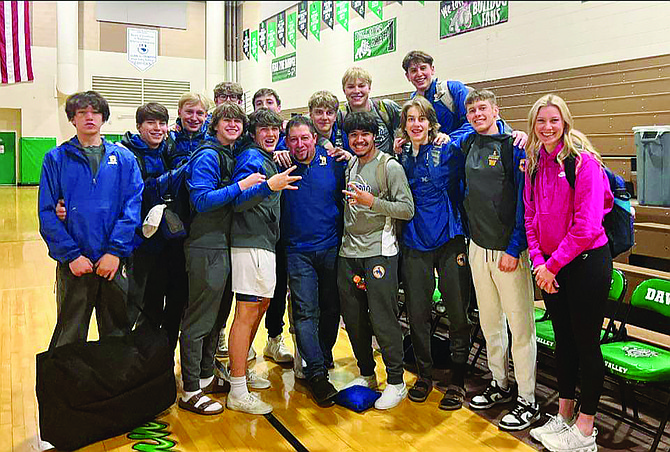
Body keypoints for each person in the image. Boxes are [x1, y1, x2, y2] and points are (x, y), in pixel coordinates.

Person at [524, 94, 613, 452]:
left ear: (565, 123)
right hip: (550, 268)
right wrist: (538, 262)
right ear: (533, 125)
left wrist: (551, 264)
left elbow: (587, 225)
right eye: (541, 121)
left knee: (586, 345)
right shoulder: (533, 164)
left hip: (586, 265)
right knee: (564, 344)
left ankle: (586, 429)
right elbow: (530, 218)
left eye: (554, 121)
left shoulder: (583, 163)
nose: (547, 127)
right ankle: (563, 416)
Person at [178, 103, 265, 416]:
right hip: (205, 246)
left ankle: (204, 377)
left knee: (216, 319)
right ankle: (189, 391)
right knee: (198, 320)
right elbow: (201, 200)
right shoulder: (207, 155)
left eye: (237, 121)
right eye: (226, 120)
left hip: (222, 245)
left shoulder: (227, 153)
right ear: (214, 125)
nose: (233, 124)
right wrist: (241, 186)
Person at [38, 91, 143, 348]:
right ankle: (70, 387)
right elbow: (47, 212)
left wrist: (115, 252)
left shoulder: (125, 159)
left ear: (103, 118)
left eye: (94, 112)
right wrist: (71, 255)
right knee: (70, 335)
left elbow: (132, 207)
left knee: (117, 332)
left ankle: (115, 387)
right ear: (72, 119)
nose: (89, 117)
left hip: (113, 263)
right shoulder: (56, 159)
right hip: (75, 265)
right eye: (82, 112)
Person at [460, 90, 539, 430]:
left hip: (510, 251)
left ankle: (528, 400)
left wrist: (514, 247)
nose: (478, 114)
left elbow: (525, 201)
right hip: (478, 247)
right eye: (472, 110)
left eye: (483, 109)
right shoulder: (467, 144)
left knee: (520, 327)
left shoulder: (513, 146)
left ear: (496, 110)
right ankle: (500, 384)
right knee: (491, 323)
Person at [222, 108, 301, 414]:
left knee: (260, 307)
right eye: (264, 129)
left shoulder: (264, 158)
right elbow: (239, 201)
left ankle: (240, 373)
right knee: (247, 312)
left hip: (263, 244)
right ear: (253, 133)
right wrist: (270, 185)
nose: (270, 134)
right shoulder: (251, 159)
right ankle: (238, 390)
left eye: (274, 130)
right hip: (249, 243)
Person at [395, 97, 472, 411]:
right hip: (415, 241)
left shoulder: (447, 149)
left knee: (457, 313)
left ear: (431, 123)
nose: (416, 124)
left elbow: (476, 136)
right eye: (410, 119)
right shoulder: (400, 158)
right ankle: (423, 375)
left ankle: (457, 379)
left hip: (449, 238)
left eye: (421, 119)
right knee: (418, 313)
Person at [338, 111, 414, 410]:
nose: (358, 140)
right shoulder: (351, 165)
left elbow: (406, 209)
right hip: (349, 252)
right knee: (354, 320)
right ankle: (367, 373)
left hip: (379, 251)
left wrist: (374, 203)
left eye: (364, 135)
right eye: (353, 135)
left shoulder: (389, 167)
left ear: (374, 136)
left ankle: (396, 380)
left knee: (383, 318)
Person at [281, 115, 345, 406]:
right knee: (306, 312)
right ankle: (316, 373)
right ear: (287, 141)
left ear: (314, 138)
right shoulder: (280, 164)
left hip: (331, 247)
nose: (299, 144)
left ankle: (323, 355)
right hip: (297, 252)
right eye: (293, 139)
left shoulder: (332, 160)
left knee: (332, 308)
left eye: (304, 138)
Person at [120, 103, 188, 351]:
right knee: (144, 305)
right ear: (139, 127)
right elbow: (138, 193)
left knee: (176, 302)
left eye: (161, 123)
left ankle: (165, 361)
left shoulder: (170, 150)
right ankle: (139, 361)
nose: (157, 128)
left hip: (173, 240)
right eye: (150, 123)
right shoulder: (126, 154)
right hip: (143, 244)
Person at [399, 50, 527, 151]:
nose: (419, 74)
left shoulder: (452, 89)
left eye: (423, 68)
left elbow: (473, 122)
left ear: (432, 69)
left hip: (466, 154)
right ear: (407, 76)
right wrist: (405, 141)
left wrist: (449, 139)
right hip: (438, 161)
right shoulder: (413, 102)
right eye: (413, 70)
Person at [248, 88, 294, 365]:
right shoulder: (248, 146)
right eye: (259, 104)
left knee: (278, 288)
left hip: (284, 228)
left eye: (269, 103)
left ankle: (274, 338)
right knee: (249, 294)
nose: (264, 106)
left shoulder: (291, 142)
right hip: (253, 230)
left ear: (280, 107)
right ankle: (243, 343)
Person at [338, 67, 402, 156]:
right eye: (351, 87)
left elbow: (408, 127)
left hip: (385, 167)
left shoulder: (385, 108)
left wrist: (400, 140)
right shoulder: (339, 115)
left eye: (361, 86)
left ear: (369, 88)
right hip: (356, 167)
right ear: (344, 90)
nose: (356, 91)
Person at [168, 93, 212, 169]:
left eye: (199, 113)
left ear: (206, 116)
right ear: (179, 112)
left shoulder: (213, 139)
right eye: (189, 112)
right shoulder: (169, 139)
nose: (194, 118)